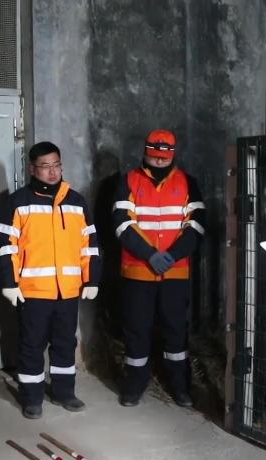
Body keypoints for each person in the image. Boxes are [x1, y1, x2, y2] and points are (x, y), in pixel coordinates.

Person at [0, 141, 101, 419]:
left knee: (65, 343)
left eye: (57, 165)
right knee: (32, 345)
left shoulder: (76, 201)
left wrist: (91, 279)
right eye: (45, 167)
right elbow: (6, 248)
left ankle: (64, 392)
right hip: (33, 291)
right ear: (33, 169)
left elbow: (89, 245)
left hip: (67, 290)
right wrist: (9, 283)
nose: (53, 172)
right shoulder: (17, 202)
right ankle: (31, 397)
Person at [111, 129, 206, 407]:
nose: (160, 161)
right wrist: (150, 255)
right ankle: (134, 385)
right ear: (145, 152)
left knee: (175, 329)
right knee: (136, 329)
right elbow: (122, 222)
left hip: (174, 273)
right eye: (155, 156)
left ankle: (180, 386)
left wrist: (172, 255)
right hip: (138, 271)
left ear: (173, 155)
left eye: (165, 157)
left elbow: (197, 223)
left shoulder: (188, 182)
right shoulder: (128, 180)